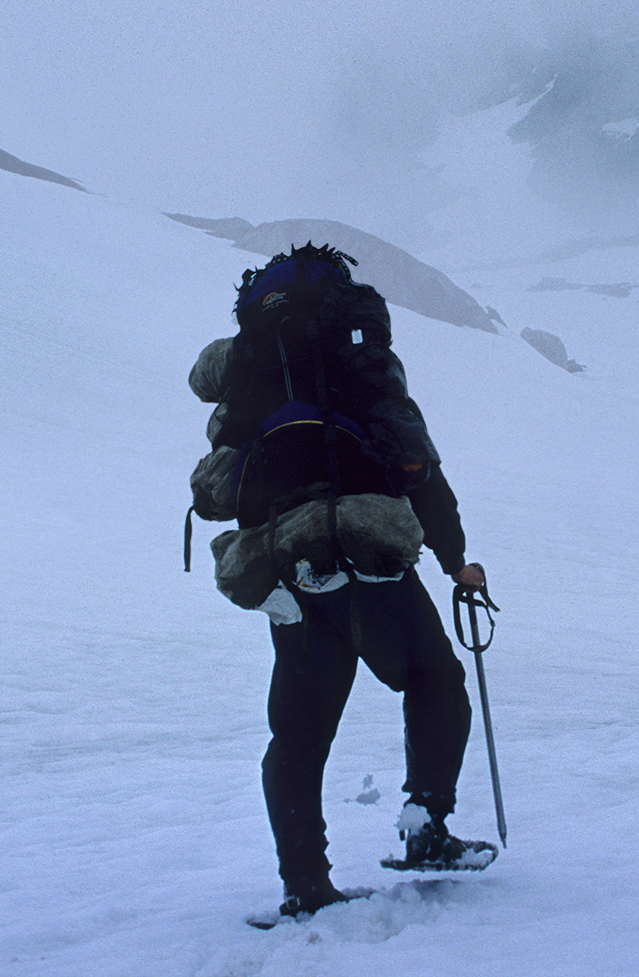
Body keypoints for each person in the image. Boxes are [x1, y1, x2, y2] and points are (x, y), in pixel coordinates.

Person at [188, 242, 496, 918]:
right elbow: (416, 466)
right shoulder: (362, 366)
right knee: (434, 679)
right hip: (365, 543)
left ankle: (305, 882)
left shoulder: (254, 370)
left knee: (298, 732)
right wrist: (455, 559)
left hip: (282, 560)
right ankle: (426, 827)